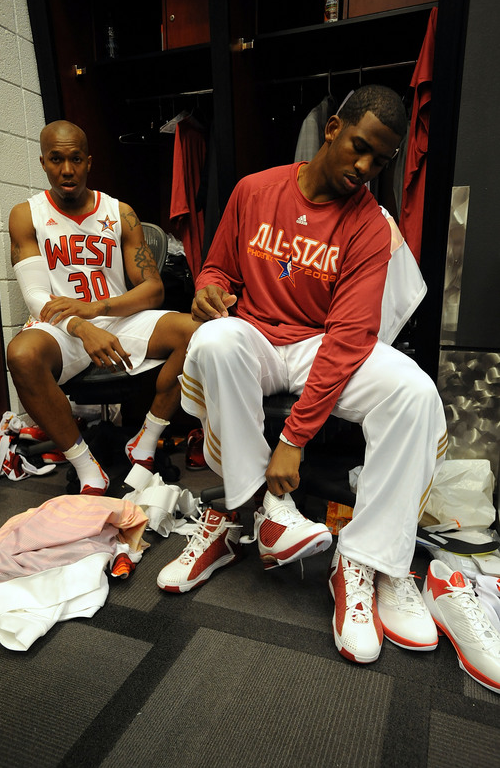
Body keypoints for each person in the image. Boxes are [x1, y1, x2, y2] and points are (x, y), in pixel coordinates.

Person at [157, 85, 448, 665]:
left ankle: (365, 564)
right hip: (259, 337)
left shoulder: (368, 225)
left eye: (381, 162)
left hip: (321, 344)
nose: (365, 169)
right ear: (334, 129)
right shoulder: (254, 189)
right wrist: (209, 289)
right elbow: (218, 265)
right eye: (360, 148)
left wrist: (293, 441)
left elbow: (347, 341)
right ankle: (268, 513)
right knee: (213, 339)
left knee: (415, 391)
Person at [7, 120, 200, 495]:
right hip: (59, 328)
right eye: (57, 159)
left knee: (199, 331)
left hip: (112, 319)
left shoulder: (119, 212)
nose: (67, 170)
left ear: (89, 162)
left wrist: (97, 309)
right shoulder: (25, 214)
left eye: (76, 159)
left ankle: (145, 441)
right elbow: (35, 296)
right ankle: (87, 467)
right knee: (21, 353)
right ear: (44, 163)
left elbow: (153, 290)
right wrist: (81, 325)